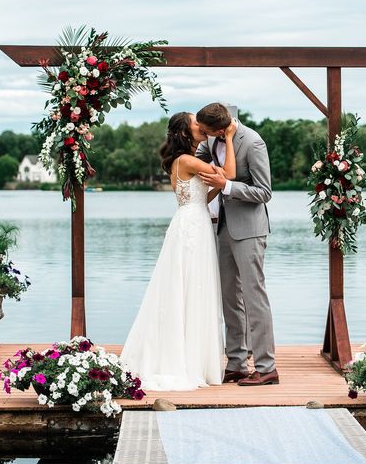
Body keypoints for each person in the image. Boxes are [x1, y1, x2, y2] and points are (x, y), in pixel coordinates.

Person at [119, 111, 237, 391]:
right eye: (196, 123)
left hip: (192, 219)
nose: (201, 126)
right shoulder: (186, 160)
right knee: (189, 287)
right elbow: (229, 175)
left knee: (191, 288)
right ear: (186, 132)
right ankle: (183, 360)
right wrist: (229, 138)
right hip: (192, 228)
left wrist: (214, 192)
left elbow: (203, 194)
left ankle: (190, 356)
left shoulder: (185, 161)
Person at [196, 102, 278, 386]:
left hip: (250, 230)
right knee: (230, 298)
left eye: (207, 132)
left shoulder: (253, 142)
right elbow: (196, 157)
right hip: (222, 228)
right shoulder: (211, 138)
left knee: (254, 298)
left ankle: (267, 368)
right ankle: (236, 363)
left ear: (221, 128)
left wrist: (227, 186)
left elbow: (264, 192)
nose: (204, 137)